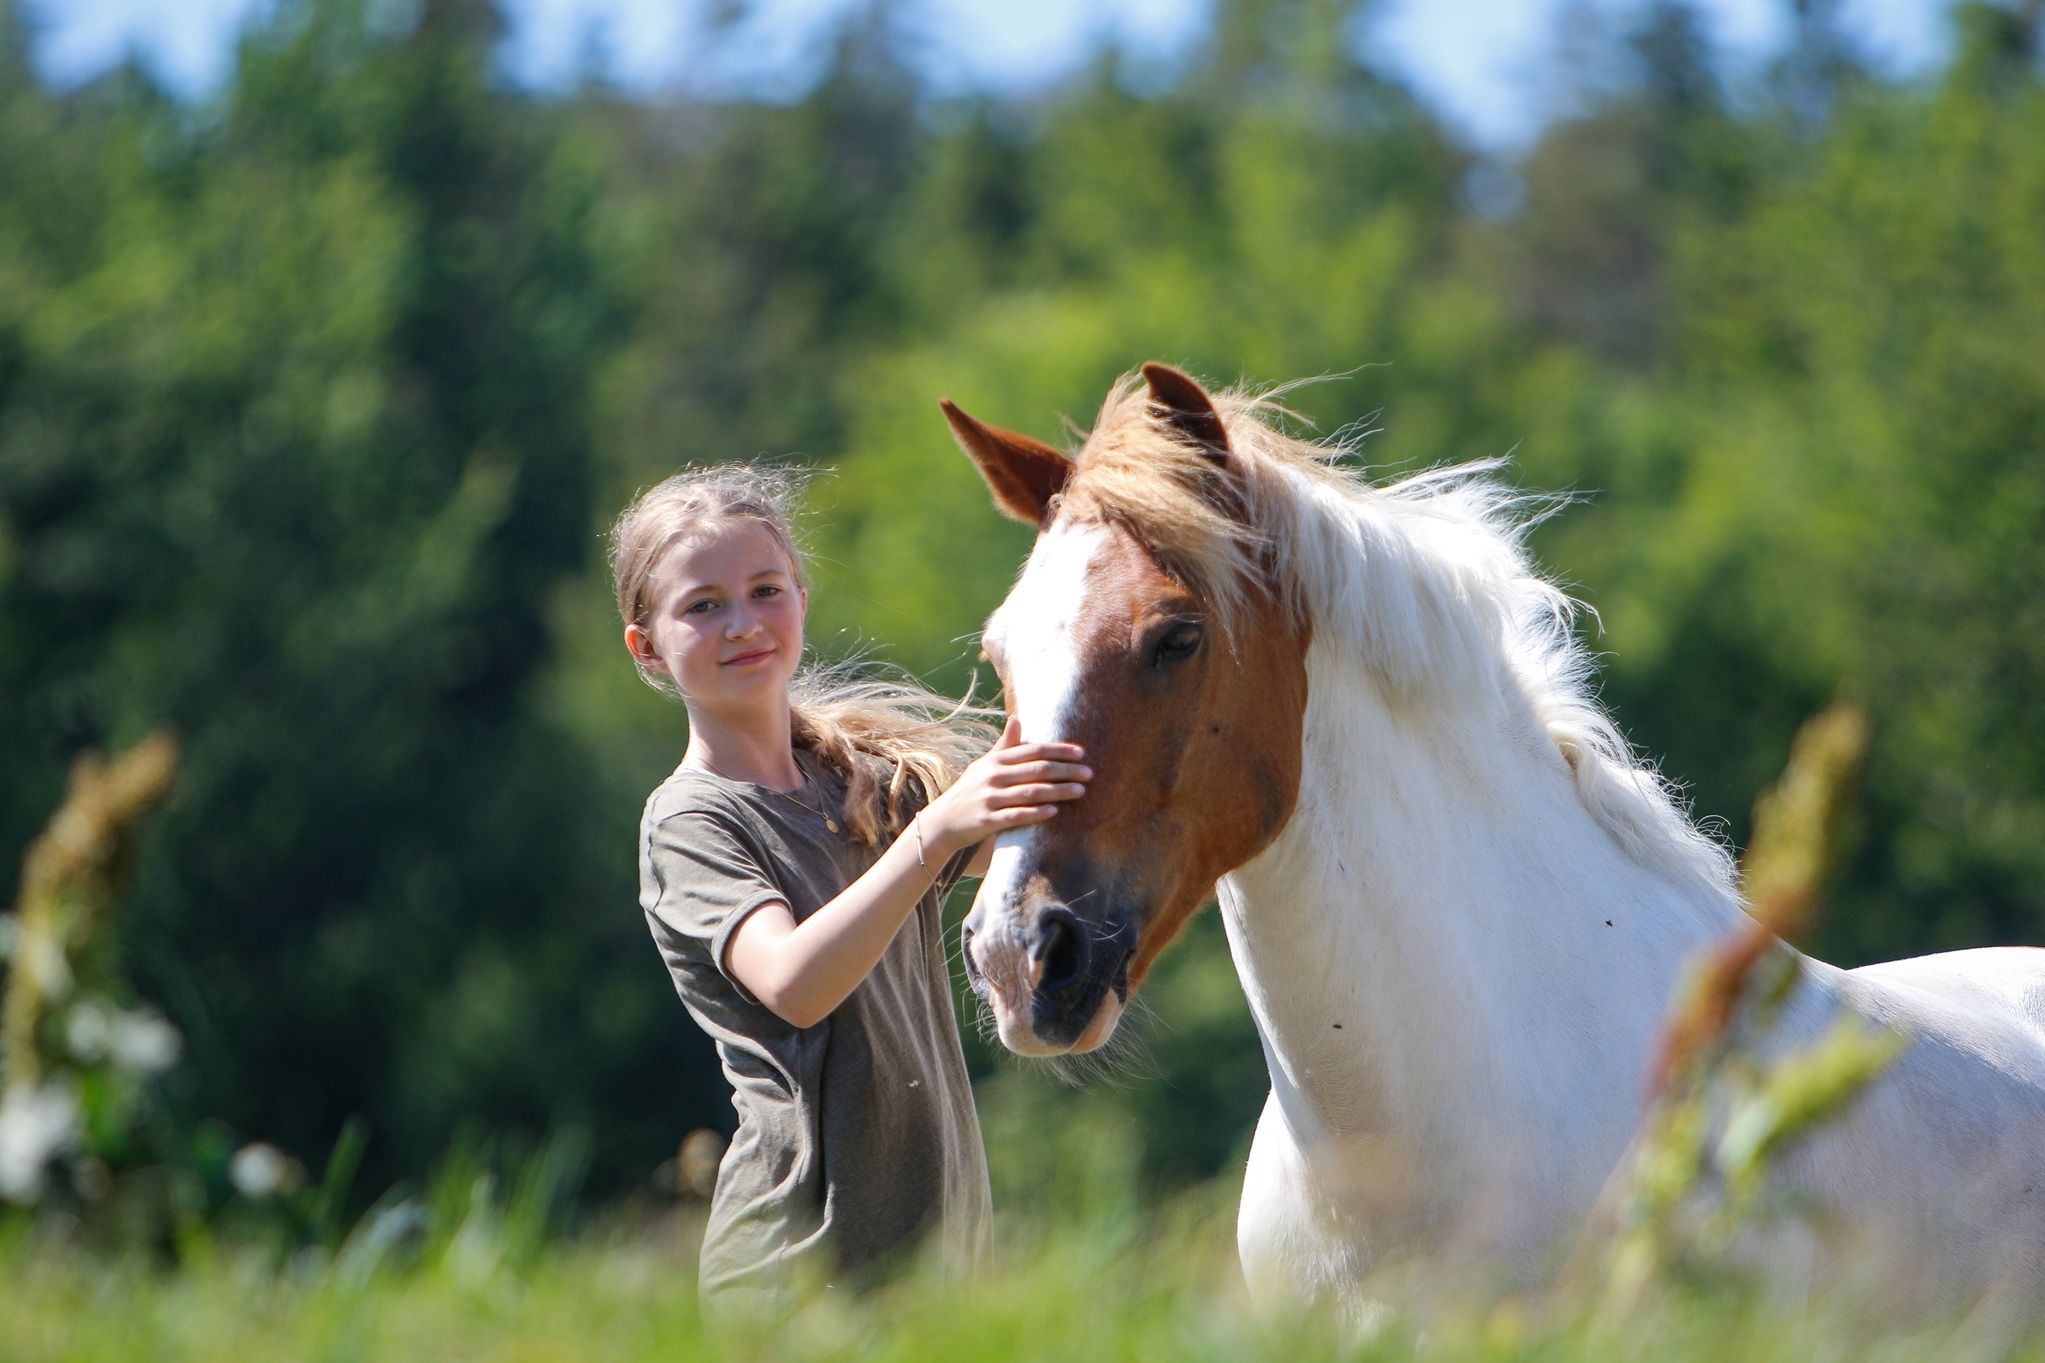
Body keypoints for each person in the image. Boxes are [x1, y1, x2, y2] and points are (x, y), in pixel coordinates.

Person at [610, 465, 1090, 1312]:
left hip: (941, 1250)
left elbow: (1042, 843)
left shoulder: (856, 781)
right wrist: (934, 831)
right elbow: (795, 985)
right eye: (703, 605)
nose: (743, 623)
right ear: (645, 645)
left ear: (800, 594)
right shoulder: (689, 820)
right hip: (798, 1269)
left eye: (764, 589)